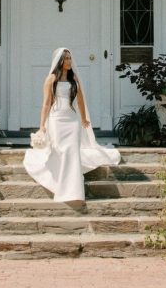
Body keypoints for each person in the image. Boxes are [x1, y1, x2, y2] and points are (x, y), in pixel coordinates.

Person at [23, 46, 121, 203]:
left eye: (70, 58)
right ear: (60, 61)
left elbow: (80, 99)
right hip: (56, 119)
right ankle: (58, 183)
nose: (69, 61)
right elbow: (46, 104)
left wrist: (83, 118)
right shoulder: (51, 79)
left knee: (72, 152)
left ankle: (73, 191)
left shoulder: (73, 78)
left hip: (72, 120)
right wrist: (42, 126)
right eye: (66, 58)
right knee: (59, 150)